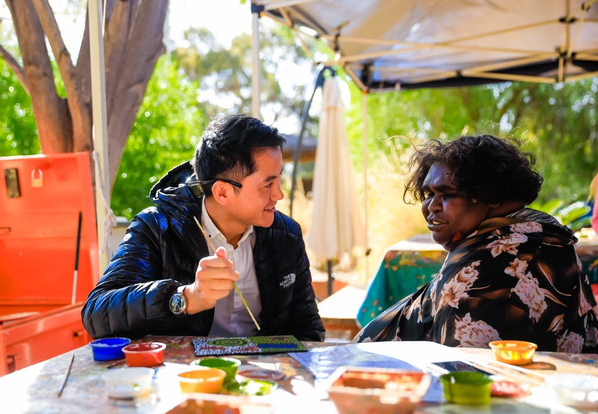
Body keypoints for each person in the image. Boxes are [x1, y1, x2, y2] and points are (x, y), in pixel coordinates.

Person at [82, 114, 325, 341]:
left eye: (279, 178)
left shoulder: (286, 235)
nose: (279, 194)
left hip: (265, 372)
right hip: (187, 372)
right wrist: (186, 298)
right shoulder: (157, 228)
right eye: (267, 185)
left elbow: (308, 331)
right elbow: (96, 313)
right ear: (222, 192)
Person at [354, 135, 598, 353]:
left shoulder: (495, 268)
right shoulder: (544, 234)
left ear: (490, 194)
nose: (431, 207)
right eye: (429, 194)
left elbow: (464, 375)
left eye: (447, 194)